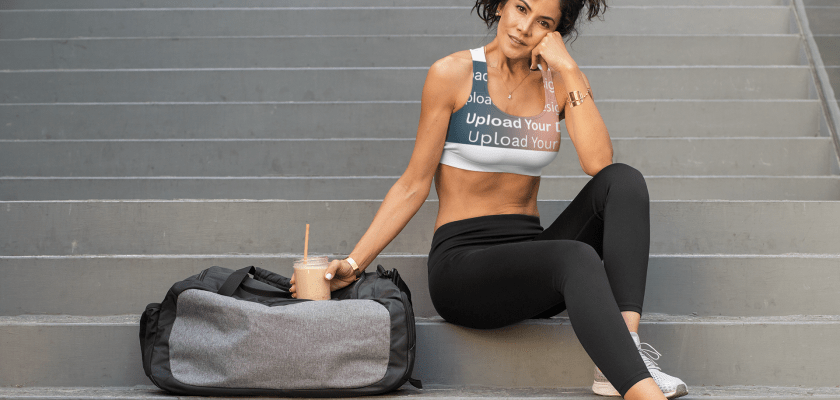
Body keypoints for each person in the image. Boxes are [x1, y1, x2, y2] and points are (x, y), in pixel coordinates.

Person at [289, 0, 688, 398]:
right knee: (577, 257)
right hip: (463, 268)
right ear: (499, 6)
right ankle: (643, 392)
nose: (524, 27)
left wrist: (568, 69)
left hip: (530, 261)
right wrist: (355, 263)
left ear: (554, 32)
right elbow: (413, 184)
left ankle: (622, 352)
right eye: (520, 8)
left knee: (623, 181)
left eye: (542, 21)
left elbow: (598, 162)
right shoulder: (453, 74)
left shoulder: (559, 83)